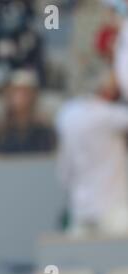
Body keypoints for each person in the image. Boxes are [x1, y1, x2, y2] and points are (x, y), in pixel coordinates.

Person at [55, 70, 128, 236]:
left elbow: (63, 175)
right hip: (113, 212)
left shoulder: (65, 115)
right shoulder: (108, 115)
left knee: (76, 259)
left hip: (80, 210)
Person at [0, 69, 56, 154]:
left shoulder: (44, 131)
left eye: (25, 92)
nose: (20, 97)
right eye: (16, 91)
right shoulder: (0, 133)